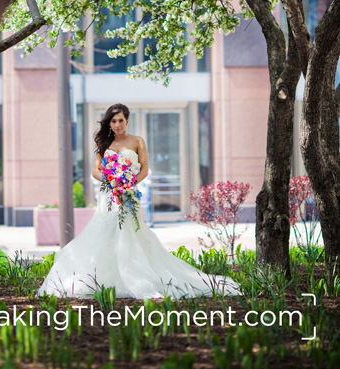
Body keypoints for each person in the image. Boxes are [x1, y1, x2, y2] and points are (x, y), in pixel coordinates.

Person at [37, 103, 241, 299]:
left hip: (127, 194)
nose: (117, 124)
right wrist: (111, 180)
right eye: (113, 121)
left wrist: (127, 182)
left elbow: (144, 168)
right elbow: (95, 170)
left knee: (130, 233)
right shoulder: (104, 144)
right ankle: (101, 278)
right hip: (108, 196)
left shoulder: (137, 141)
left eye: (120, 120)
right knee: (104, 234)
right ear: (108, 123)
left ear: (127, 121)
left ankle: (137, 276)